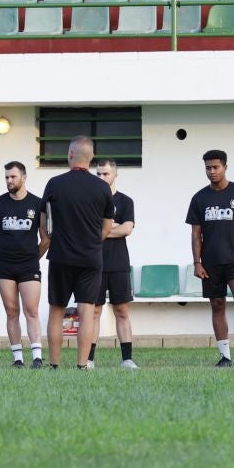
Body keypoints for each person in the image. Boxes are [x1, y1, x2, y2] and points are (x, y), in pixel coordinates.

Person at [40, 136, 113, 370]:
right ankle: (83, 365)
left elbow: (44, 222)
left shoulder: (54, 183)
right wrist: (93, 241)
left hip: (60, 256)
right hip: (90, 257)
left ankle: (54, 364)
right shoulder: (102, 187)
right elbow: (107, 227)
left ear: (70, 154)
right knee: (87, 312)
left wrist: (50, 240)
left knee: (56, 311)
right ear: (91, 158)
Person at [186, 150, 234, 367]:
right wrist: (197, 262)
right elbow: (195, 234)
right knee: (217, 305)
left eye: (215, 167)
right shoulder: (199, 198)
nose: (212, 171)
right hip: (210, 262)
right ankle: (225, 356)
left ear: (225, 167)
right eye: (208, 168)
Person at [0, 161, 47, 368]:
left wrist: (31, 256)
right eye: (6, 177)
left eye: (13, 177)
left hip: (29, 266)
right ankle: (18, 359)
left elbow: (46, 239)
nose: (9, 181)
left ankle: (37, 357)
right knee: (11, 311)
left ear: (24, 177)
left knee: (32, 310)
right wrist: (6, 254)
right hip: (4, 266)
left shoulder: (38, 204)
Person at [95, 159, 138, 371]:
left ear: (115, 175)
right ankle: (89, 359)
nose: (102, 178)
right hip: (94, 264)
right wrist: (112, 227)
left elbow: (127, 229)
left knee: (121, 311)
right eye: (99, 174)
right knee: (93, 312)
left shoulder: (126, 201)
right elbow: (88, 231)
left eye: (106, 174)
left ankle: (127, 359)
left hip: (119, 263)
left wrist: (102, 231)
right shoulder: (90, 201)